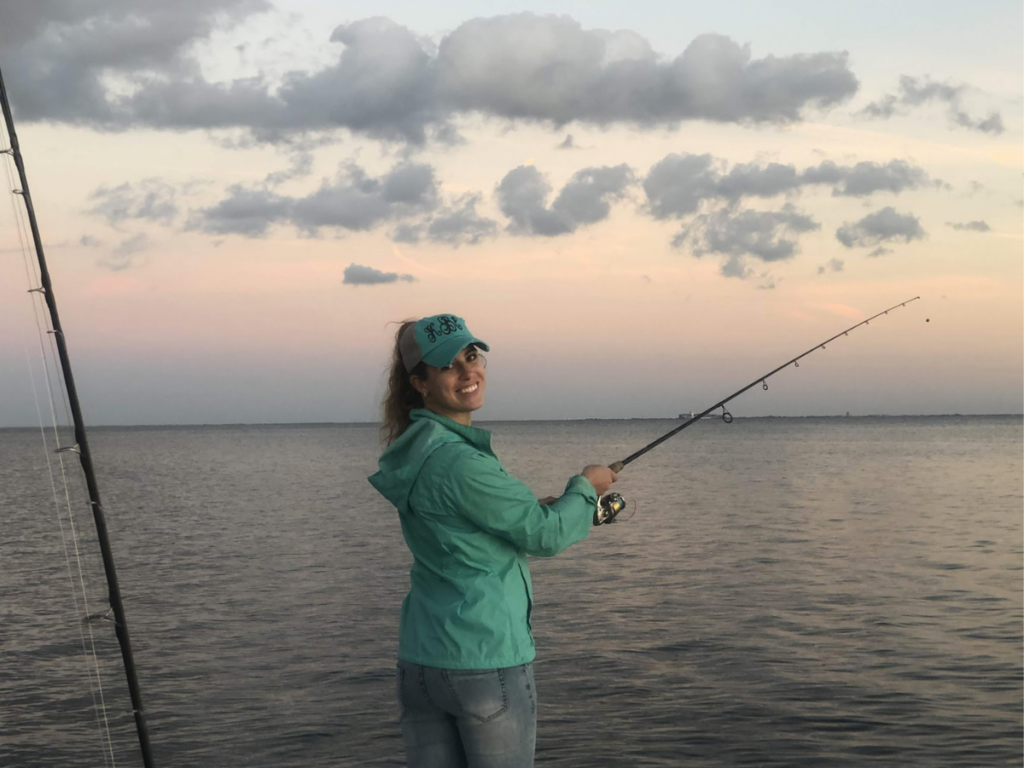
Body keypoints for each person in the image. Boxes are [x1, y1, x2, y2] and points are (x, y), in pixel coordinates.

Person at [369, 313, 617, 768]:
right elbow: (546, 535)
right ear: (420, 382)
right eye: (448, 365)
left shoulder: (414, 451)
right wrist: (586, 485)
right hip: (484, 661)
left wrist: (543, 505)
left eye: (472, 355)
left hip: (421, 664)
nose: (468, 372)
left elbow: (464, 524)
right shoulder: (460, 461)